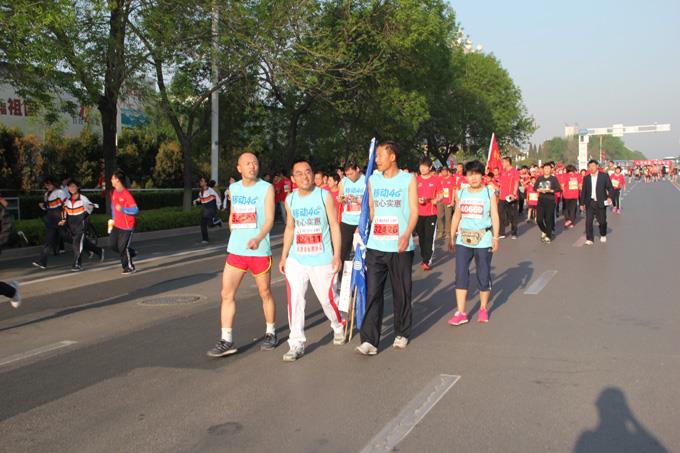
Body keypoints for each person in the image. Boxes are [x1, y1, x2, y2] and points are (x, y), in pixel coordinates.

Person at [207, 152, 277, 357]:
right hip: (236, 250)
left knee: (265, 292)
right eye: (247, 163)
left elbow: (270, 219)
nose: (252, 166)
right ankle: (226, 339)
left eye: (255, 163)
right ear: (239, 168)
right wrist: (233, 229)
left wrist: (258, 238)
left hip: (259, 250)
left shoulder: (266, 188)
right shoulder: (234, 188)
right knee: (226, 294)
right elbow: (233, 213)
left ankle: (271, 332)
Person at [356, 141, 418, 356]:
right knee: (373, 292)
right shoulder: (372, 180)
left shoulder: (408, 179)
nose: (377, 160)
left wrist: (406, 234)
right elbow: (372, 208)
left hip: (400, 246)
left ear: (393, 157)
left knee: (402, 291)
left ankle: (402, 332)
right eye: (376, 156)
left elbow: (414, 211)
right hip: (376, 245)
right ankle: (369, 340)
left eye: (381, 155)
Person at [279, 160, 344, 362]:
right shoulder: (290, 199)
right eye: (299, 173)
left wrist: (337, 255)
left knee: (327, 300)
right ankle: (296, 343)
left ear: (313, 174)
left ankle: (338, 324)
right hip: (297, 259)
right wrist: (284, 255)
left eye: (307, 172)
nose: (304, 176)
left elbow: (334, 225)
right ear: (293, 178)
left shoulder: (324, 196)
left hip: (322, 258)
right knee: (295, 300)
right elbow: (290, 227)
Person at [447, 160, 500, 326]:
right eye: (470, 174)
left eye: (477, 174)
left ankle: (483, 308)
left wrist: (495, 237)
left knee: (483, 274)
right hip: (463, 239)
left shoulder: (489, 192)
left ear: (482, 175)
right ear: (466, 177)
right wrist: (451, 236)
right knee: (460, 273)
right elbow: (456, 215)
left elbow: (494, 215)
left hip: (483, 239)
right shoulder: (461, 193)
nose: (474, 178)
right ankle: (461, 312)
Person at [60, 180, 104, 271]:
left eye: (73, 186)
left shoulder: (83, 198)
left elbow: (90, 207)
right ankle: (98, 250)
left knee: (76, 244)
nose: (71, 188)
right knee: (80, 242)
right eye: (70, 187)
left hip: (81, 224)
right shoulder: (68, 200)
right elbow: (64, 210)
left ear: (78, 187)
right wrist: (63, 220)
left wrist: (84, 215)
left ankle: (77, 264)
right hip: (71, 225)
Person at [32, 177, 67, 269]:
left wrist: (64, 219)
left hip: (59, 219)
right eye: (46, 185)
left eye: (49, 184)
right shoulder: (46, 194)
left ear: (54, 183)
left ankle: (92, 249)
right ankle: (42, 262)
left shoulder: (60, 192)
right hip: (50, 220)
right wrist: (42, 206)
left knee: (69, 238)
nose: (47, 186)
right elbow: (47, 207)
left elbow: (65, 205)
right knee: (48, 240)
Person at [110, 170, 139, 274]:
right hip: (117, 225)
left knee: (122, 247)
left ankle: (129, 267)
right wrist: (113, 220)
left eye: (113, 178)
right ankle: (131, 252)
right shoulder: (114, 192)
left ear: (118, 180)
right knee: (113, 245)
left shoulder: (126, 194)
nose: (111, 180)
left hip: (127, 226)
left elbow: (135, 210)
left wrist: (122, 209)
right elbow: (113, 207)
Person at [337, 161, 365, 264]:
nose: (349, 177)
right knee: (343, 250)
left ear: (357, 169)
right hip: (347, 220)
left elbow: (369, 201)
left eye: (351, 174)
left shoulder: (366, 180)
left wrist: (357, 199)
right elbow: (339, 198)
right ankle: (342, 272)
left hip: (361, 221)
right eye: (347, 174)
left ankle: (361, 270)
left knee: (361, 249)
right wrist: (343, 198)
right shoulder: (344, 181)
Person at [415, 158, 441, 270]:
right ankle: (424, 256)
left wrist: (436, 199)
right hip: (418, 213)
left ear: (430, 167)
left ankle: (427, 260)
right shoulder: (415, 180)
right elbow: (411, 194)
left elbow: (441, 194)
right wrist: (417, 199)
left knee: (429, 237)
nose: (422, 168)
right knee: (421, 237)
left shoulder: (436, 180)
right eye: (421, 166)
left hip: (431, 213)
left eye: (425, 166)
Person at [580, 159, 614, 245]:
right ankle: (589, 239)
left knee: (602, 221)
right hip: (590, 202)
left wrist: (610, 197)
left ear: (597, 166)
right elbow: (583, 191)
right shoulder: (586, 178)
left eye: (593, 166)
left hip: (601, 201)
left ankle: (603, 234)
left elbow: (610, 188)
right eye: (589, 166)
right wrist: (581, 203)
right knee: (588, 221)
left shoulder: (604, 176)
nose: (591, 168)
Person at [533, 163, 561, 243]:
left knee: (548, 219)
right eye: (545, 168)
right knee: (539, 220)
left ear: (551, 170)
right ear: (543, 169)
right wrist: (538, 190)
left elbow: (558, 188)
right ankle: (545, 231)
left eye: (548, 169)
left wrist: (551, 190)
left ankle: (548, 236)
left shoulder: (553, 179)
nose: (547, 170)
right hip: (541, 200)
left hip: (550, 200)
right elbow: (535, 187)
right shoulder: (540, 178)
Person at [193, 177, 223, 243]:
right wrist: (196, 201)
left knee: (210, 224)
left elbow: (217, 198)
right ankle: (205, 239)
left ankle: (217, 221)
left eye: (202, 181)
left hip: (211, 210)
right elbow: (201, 198)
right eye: (200, 181)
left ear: (206, 183)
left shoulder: (210, 191)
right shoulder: (201, 192)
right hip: (205, 210)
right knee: (203, 224)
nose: (200, 182)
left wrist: (219, 206)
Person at [497, 156, 520, 239]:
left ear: (507, 162)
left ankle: (514, 233)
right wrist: (499, 193)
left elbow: (516, 183)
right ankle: (501, 233)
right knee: (500, 214)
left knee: (512, 216)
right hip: (502, 198)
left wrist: (514, 194)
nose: (502, 164)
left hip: (511, 197)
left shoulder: (515, 171)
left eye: (503, 162)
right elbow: (501, 184)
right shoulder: (502, 172)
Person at [436, 166, 456, 241]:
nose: (443, 172)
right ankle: (440, 231)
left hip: (448, 201)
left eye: (445, 171)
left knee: (448, 217)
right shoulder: (439, 179)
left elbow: (454, 190)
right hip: (440, 201)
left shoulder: (452, 179)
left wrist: (452, 201)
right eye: (442, 171)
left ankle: (448, 232)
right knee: (439, 216)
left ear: (447, 171)